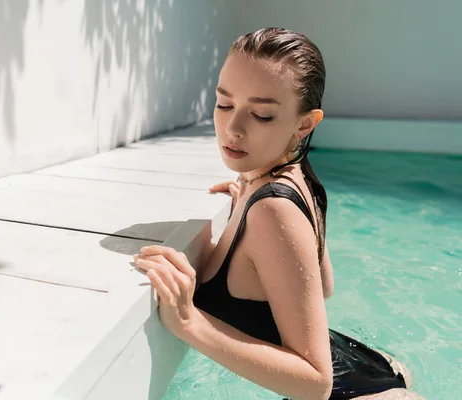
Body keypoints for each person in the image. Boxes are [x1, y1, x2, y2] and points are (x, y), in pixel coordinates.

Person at [133, 28, 423, 400]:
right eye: (224, 104)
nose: (233, 128)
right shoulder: (293, 178)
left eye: (262, 115)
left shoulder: (273, 209)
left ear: (305, 124)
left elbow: (317, 383)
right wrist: (246, 194)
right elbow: (323, 288)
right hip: (371, 366)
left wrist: (191, 323)